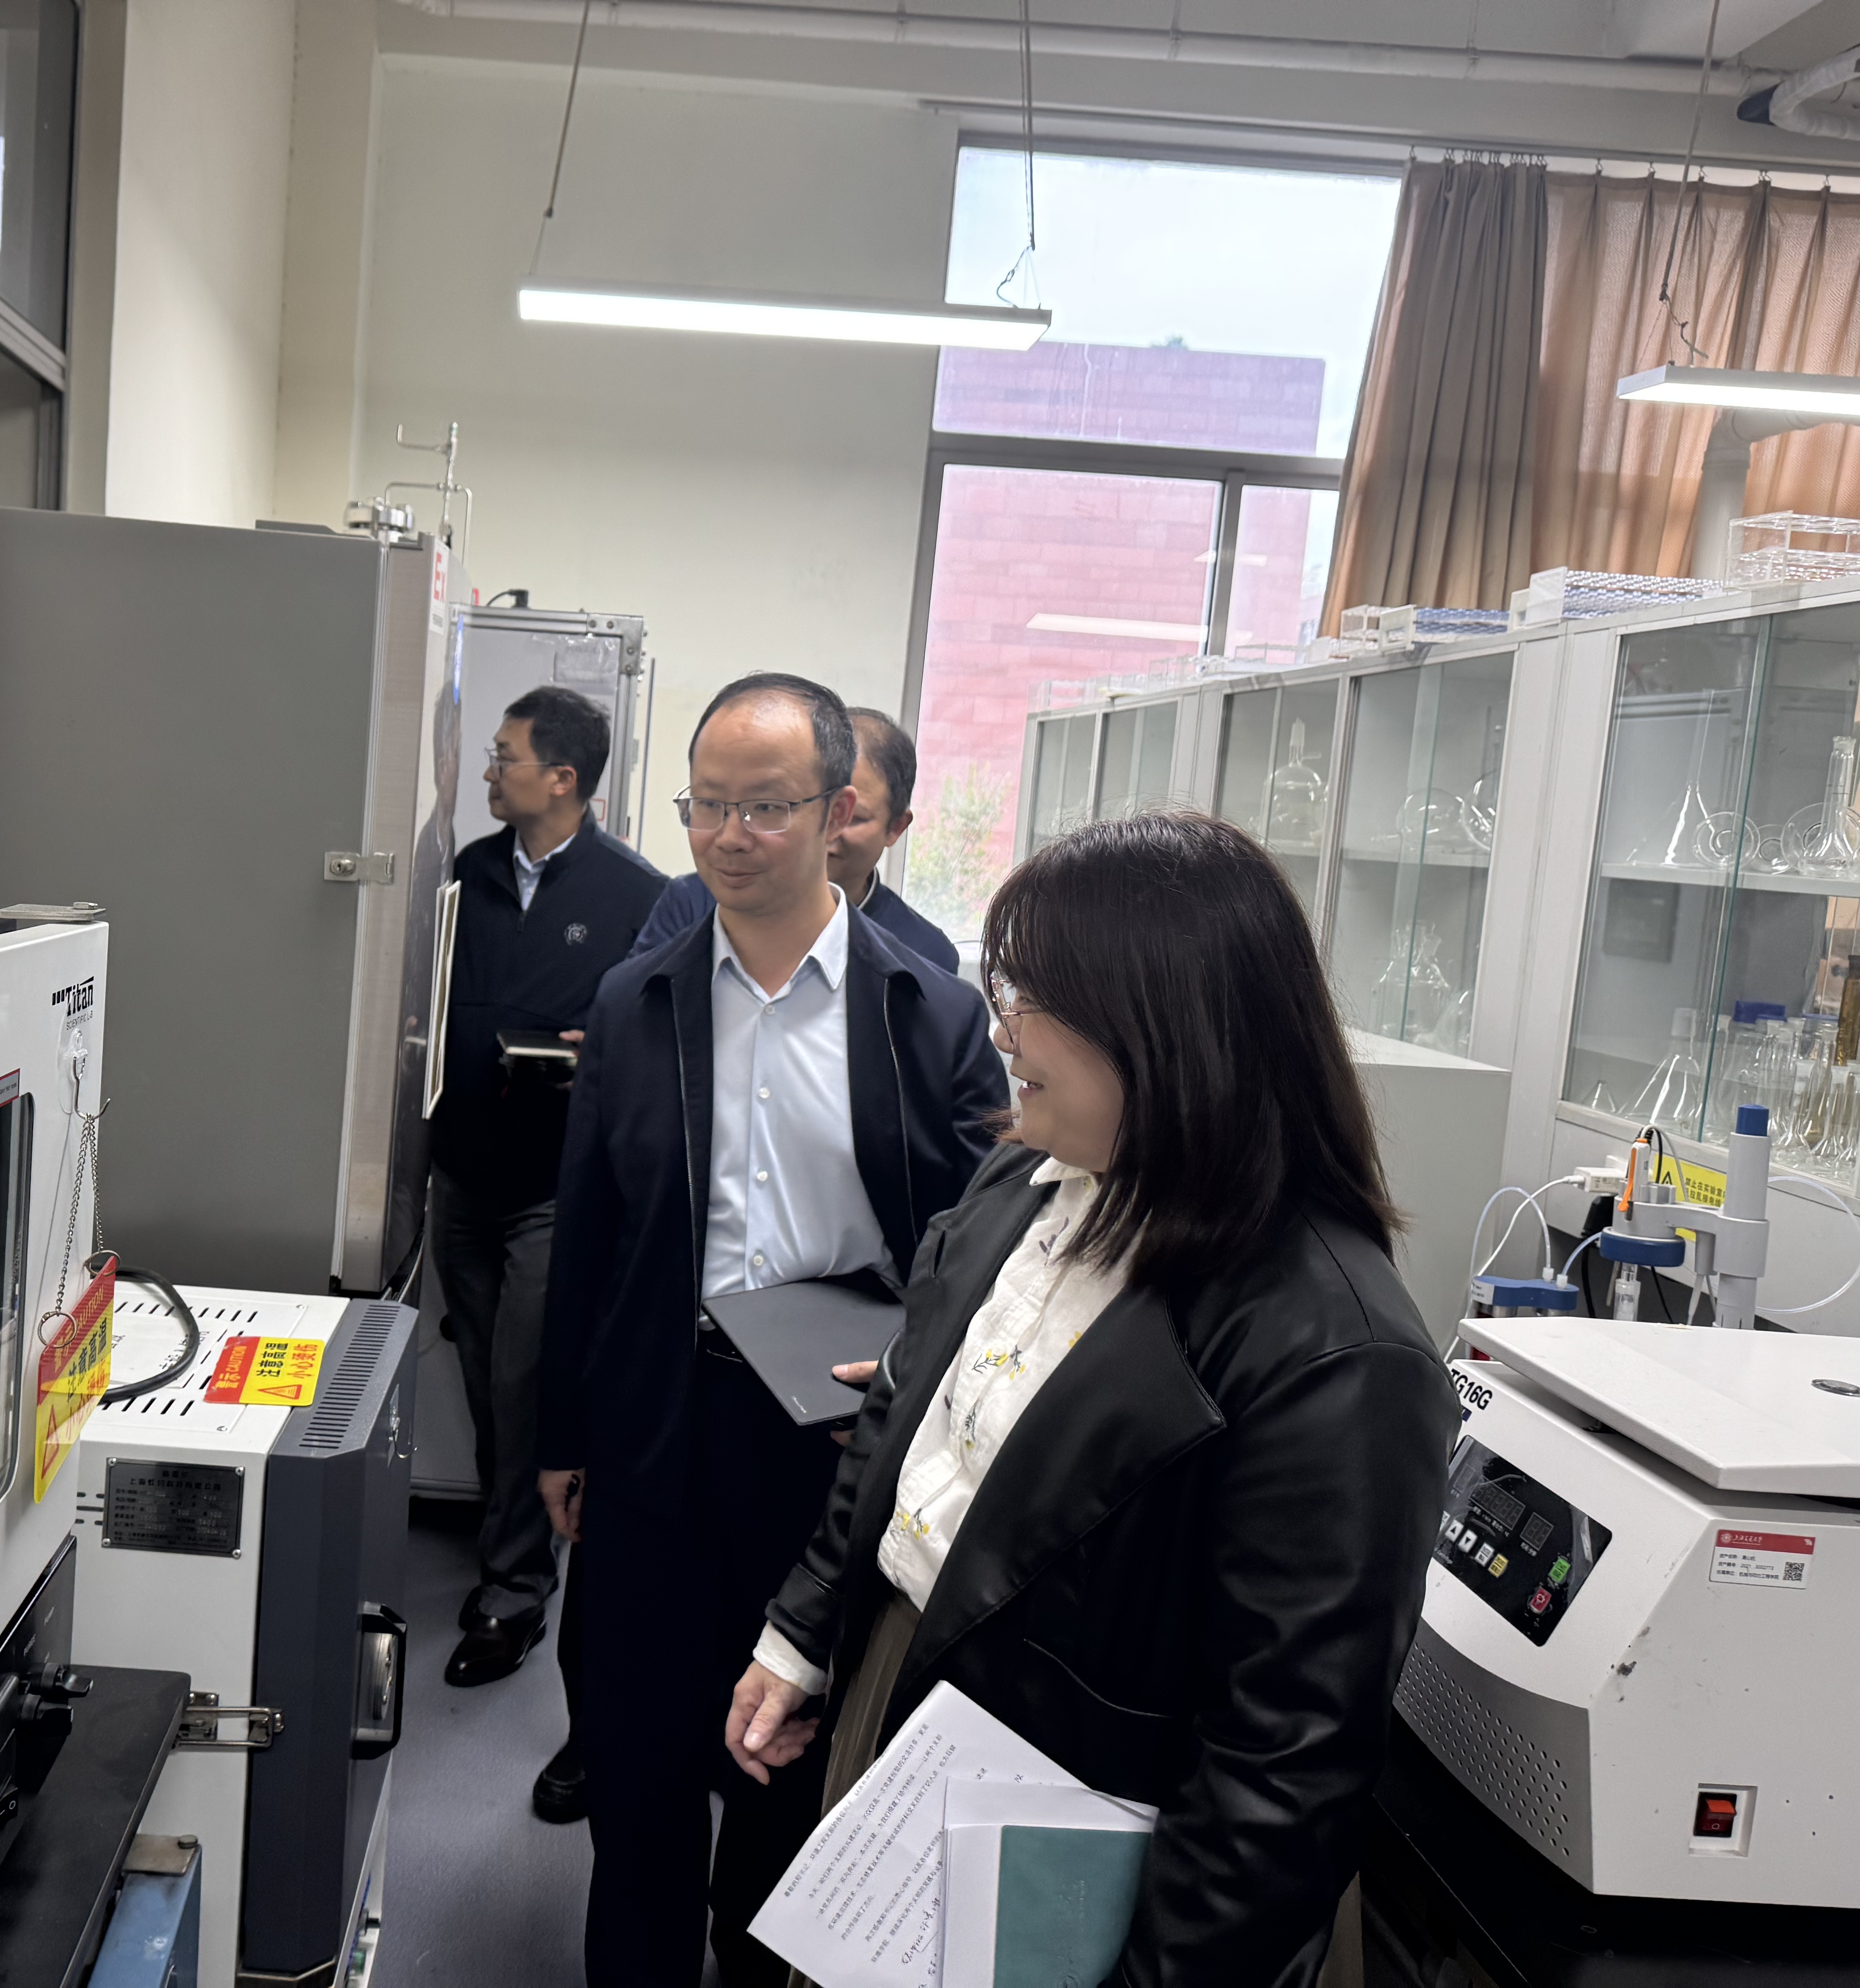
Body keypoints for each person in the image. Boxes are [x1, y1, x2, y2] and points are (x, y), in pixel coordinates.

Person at [725, 812, 1460, 1988]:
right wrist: (805, 1635)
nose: (1001, 1030)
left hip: (1091, 1838)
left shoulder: (1336, 1353)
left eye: (1036, 998)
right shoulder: (1032, 1174)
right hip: (914, 1701)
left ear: (1163, 1027)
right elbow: (909, 1412)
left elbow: (1279, 1777)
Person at [537, 673, 1007, 1988]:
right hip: (656, 1428)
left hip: (827, 1446)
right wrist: (562, 1434)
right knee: (638, 1779)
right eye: (705, 807)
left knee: (783, 1792)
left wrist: (912, 1379)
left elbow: (979, 1250)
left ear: (839, 810)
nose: (728, 837)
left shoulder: (928, 1015)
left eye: (764, 808)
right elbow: (588, 1235)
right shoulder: (638, 1002)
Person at [430, 686, 665, 1694]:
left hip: (555, 1188)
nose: (490, 771)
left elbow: (661, 1043)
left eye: (506, 755)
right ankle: (512, 1541)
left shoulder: (637, 893)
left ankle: (516, 1590)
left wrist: (598, 1050)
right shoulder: (467, 874)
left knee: (525, 1384)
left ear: (562, 778)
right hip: (461, 1175)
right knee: (485, 1380)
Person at [630, 707, 959, 974]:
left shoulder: (925, 952)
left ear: (896, 828)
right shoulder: (694, 901)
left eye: (852, 818)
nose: (828, 829)